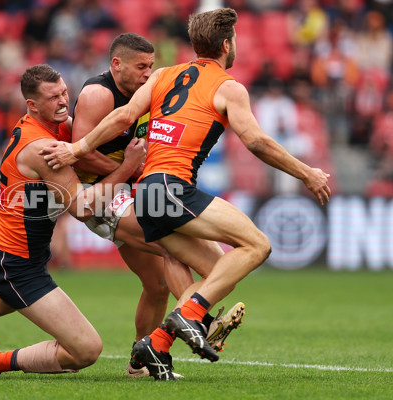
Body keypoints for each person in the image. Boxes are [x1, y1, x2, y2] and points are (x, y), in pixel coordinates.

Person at [41, 8, 331, 380]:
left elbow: (125, 116)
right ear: (227, 44)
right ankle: (190, 316)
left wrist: (76, 148)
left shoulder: (164, 75)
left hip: (145, 194)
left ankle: (156, 343)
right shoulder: (228, 86)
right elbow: (256, 141)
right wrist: (307, 173)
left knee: (212, 270)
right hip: (166, 188)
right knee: (257, 246)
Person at [0, 64, 146, 377]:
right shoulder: (43, 148)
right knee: (86, 350)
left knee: (2, 301)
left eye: (64, 92)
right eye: (53, 98)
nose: (64, 101)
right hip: (15, 263)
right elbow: (83, 209)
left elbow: (89, 149)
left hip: (7, 251)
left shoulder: (54, 127)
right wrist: (128, 167)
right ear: (32, 106)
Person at [71, 32, 242, 378]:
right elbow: (80, 156)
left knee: (157, 285)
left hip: (131, 188)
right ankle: (201, 322)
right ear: (116, 64)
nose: (148, 73)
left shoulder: (148, 91)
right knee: (172, 249)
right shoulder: (97, 95)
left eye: (151, 66)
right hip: (101, 195)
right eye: (140, 67)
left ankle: (139, 362)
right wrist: (131, 168)